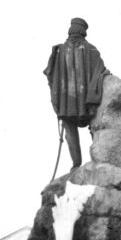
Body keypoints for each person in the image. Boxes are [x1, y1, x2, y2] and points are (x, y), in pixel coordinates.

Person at [43, 18, 109, 168]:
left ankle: (76, 164)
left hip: (66, 103)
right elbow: (101, 71)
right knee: (94, 126)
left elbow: (50, 74)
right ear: (83, 32)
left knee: (69, 128)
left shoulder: (59, 51)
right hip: (87, 102)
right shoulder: (91, 50)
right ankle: (96, 160)